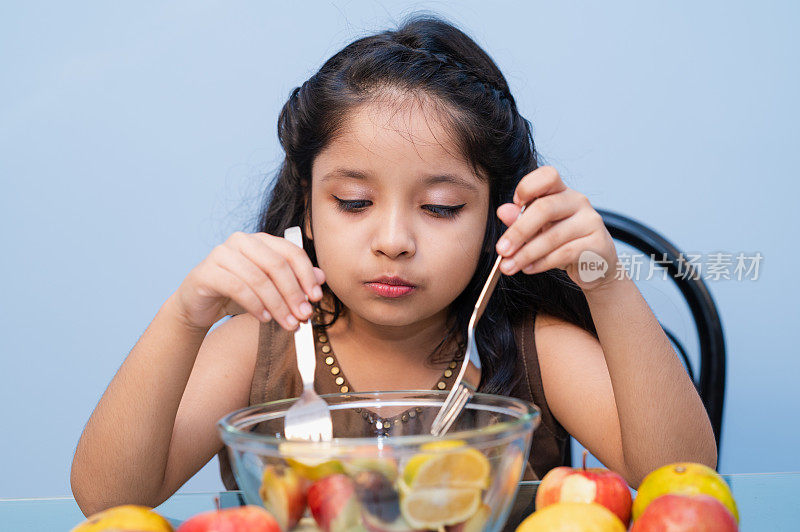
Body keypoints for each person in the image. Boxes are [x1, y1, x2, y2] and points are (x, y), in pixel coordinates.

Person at [70, 14, 716, 516]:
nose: (394, 240)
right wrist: (184, 316)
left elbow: (682, 480)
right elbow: (107, 499)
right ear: (309, 204)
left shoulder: (534, 350)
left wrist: (607, 287)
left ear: (496, 213)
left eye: (439, 208)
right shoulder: (258, 347)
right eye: (354, 202)